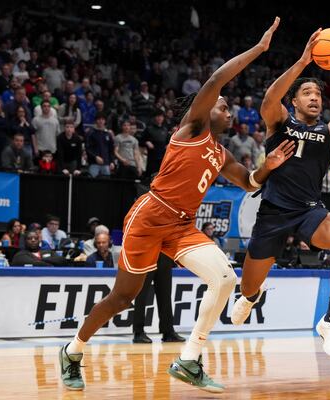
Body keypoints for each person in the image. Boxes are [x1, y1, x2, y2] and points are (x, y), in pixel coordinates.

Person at [58, 18, 293, 393]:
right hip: (151, 215)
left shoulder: (221, 154)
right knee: (123, 297)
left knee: (225, 278)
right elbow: (215, 80)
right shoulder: (192, 129)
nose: (228, 109)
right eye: (223, 106)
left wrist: (269, 166)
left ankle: (189, 359)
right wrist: (259, 50)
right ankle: (72, 351)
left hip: (181, 225)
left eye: (229, 107)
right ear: (205, 110)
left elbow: (249, 182)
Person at [231, 28, 330, 359]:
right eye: (307, 92)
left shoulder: (329, 132)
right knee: (247, 287)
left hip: (309, 211)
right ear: (296, 100)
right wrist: (303, 61)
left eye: (318, 93)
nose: (315, 97)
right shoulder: (280, 122)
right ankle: (250, 296)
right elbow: (269, 100)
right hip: (273, 210)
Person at [132, 253, 186, 344]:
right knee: (141, 295)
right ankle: (138, 332)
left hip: (164, 254)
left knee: (165, 294)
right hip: (146, 254)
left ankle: (168, 332)